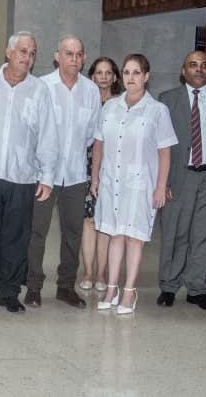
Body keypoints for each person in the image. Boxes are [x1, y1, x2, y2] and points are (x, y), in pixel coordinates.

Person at [0, 31, 58, 314]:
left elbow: (47, 136)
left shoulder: (39, 90)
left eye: (32, 53)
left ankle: (9, 292)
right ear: (8, 52)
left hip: (22, 177)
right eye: (23, 51)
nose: (27, 58)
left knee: (16, 239)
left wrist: (47, 176)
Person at [91, 54, 177, 315]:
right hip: (111, 181)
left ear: (146, 76)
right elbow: (98, 144)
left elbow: (164, 152)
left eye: (136, 72)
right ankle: (112, 288)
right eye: (127, 72)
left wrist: (161, 186)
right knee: (115, 235)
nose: (130, 77)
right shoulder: (110, 108)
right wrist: (95, 177)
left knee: (134, 237)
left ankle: (129, 291)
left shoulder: (157, 110)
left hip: (140, 185)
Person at [156, 51, 206, 311]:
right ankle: (169, 286)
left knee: (205, 236)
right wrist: (163, 182)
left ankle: (198, 289)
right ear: (184, 71)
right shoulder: (167, 100)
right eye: (193, 65)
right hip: (178, 178)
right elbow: (158, 146)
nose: (199, 69)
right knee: (175, 233)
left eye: (204, 65)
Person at [25, 35, 100, 309]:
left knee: (73, 233)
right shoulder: (42, 86)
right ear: (57, 56)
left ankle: (66, 287)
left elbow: (93, 135)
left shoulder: (91, 91)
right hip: (44, 175)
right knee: (37, 232)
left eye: (79, 54)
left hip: (76, 175)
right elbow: (32, 131)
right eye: (69, 54)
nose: (74, 59)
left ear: (84, 58)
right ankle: (33, 286)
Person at [80, 57, 123, 292]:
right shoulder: (85, 101)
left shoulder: (122, 104)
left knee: (105, 221)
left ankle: (101, 273)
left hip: (112, 168)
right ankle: (88, 271)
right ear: (92, 76)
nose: (104, 77)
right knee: (89, 220)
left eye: (108, 73)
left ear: (115, 77)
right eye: (99, 72)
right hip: (84, 167)